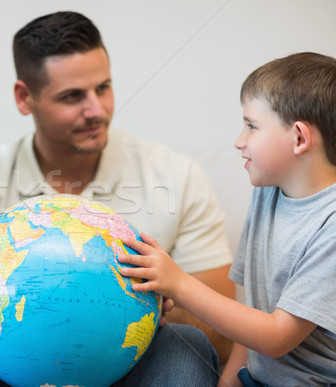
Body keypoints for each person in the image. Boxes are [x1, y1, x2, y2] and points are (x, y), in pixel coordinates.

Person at [0, 11, 230, 386]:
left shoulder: (175, 176)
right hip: (19, 373)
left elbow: (221, 330)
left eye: (103, 87)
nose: (97, 110)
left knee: (188, 343)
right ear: (25, 98)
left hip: (133, 365)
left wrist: (155, 309)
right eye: (73, 96)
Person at [120, 52, 336, 386]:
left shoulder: (331, 226)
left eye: (252, 126)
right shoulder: (269, 191)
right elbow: (251, 318)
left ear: (299, 138)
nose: (239, 141)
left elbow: (276, 337)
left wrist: (178, 282)